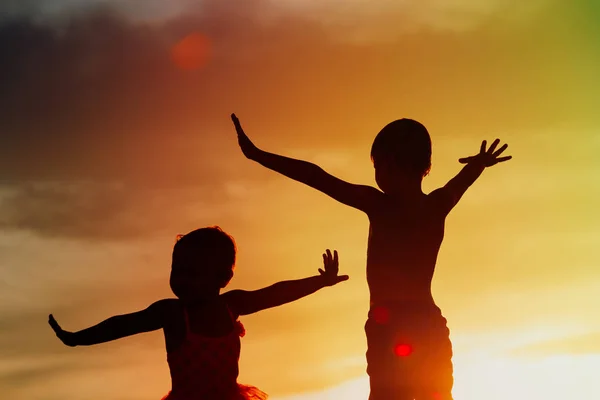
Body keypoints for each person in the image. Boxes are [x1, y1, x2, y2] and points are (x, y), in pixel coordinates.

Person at [231, 114, 512, 400]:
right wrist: (479, 163)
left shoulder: (378, 204)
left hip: (389, 323)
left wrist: (258, 155)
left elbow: (317, 177)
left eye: (377, 166)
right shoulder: (437, 204)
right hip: (429, 323)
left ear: (389, 164)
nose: (376, 175)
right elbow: (463, 180)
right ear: (425, 166)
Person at [48, 226, 348, 400]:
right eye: (177, 271)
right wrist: (77, 338)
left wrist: (320, 281)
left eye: (192, 273)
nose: (182, 280)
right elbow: (123, 324)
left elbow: (275, 294)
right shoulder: (172, 313)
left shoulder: (232, 305)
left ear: (222, 278)